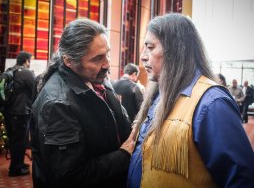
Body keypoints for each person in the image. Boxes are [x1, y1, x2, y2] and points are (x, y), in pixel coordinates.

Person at [127, 13, 254, 188]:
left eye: (150, 47)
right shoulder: (158, 95)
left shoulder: (212, 103)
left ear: (176, 50)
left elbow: (242, 179)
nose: (142, 56)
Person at [30, 19, 136, 188]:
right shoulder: (57, 104)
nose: (107, 64)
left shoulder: (96, 79)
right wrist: (124, 155)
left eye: (107, 53)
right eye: (97, 59)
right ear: (69, 61)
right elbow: (70, 176)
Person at [3, 51, 35, 176]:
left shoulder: (10, 70)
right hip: (21, 112)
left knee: (13, 140)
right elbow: (35, 89)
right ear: (26, 61)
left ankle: (18, 164)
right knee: (20, 141)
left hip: (8, 112)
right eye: (29, 60)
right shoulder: (27, 73)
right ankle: (16, 168)